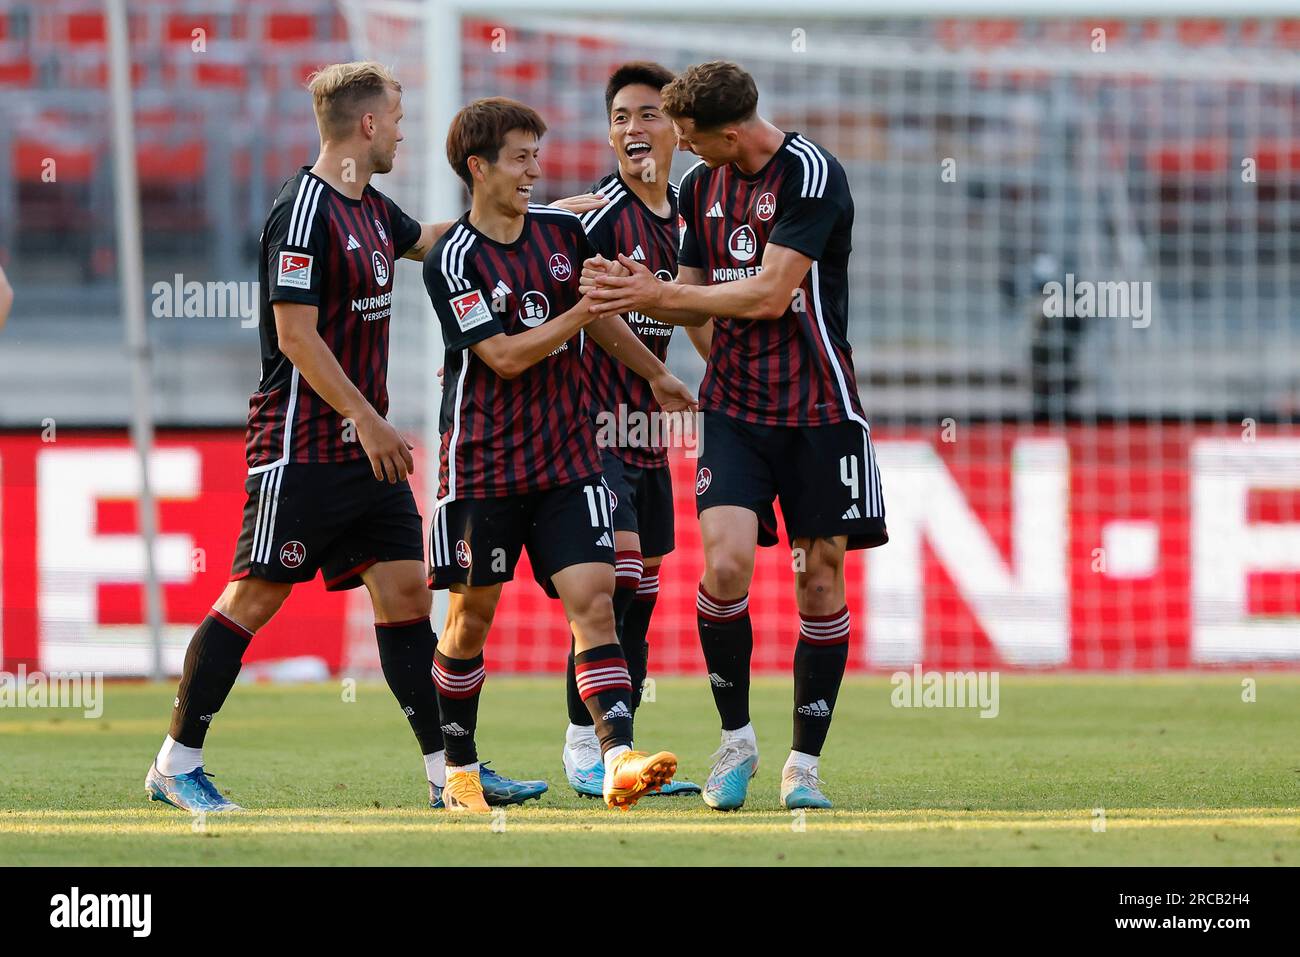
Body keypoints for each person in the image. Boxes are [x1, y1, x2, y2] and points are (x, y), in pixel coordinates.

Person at [145, 62, 542, 814]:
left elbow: (434, 239)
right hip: (303, 444)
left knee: (404, 595)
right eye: (396, 118)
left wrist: (545, 216)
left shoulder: (373, 208)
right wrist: (365, 417)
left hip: (367, 450)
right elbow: (295, 334)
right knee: (255, 595)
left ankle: (448, 775)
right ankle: (175, 762)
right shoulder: (303, 211)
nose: (401, 132)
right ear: (367, 124)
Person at [582, 61, 888, 811]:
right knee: (723, 567)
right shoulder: (699, 187)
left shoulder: (811, 173)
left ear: (730, 133)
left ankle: (803, 765)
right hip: (736, 413)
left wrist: (656, 291)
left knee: (820, 579)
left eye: (689, 136)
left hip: (820, 410)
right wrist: (672, 317)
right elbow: (693, 298)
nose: (680, 148)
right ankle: (736, 741)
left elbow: (772, 291)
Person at [423, 96, 695, 811]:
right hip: (483, 465)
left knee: (597, 601)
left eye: (536, 157)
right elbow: (506, 356)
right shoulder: (452, 259)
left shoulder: (561, 232)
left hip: (568, 461)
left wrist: (657, 374)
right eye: (521, 159)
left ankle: (616, 758)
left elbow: (600, 325)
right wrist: (581, 309)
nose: (534, 172)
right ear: (478, 168)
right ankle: (459, 772)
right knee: (470, 620)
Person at [560, 62, 704, 798]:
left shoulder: (687, 217)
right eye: (620, 117)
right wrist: (658, 373)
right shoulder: (599, 214)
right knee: (610, 583)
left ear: (676, 128)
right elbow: (591, 312)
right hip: (591, 426)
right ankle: (586, 750)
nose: (633, 128)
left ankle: (621, 751)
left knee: (640, 595)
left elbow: (701, 307)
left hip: (645, 431)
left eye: (648, 114)